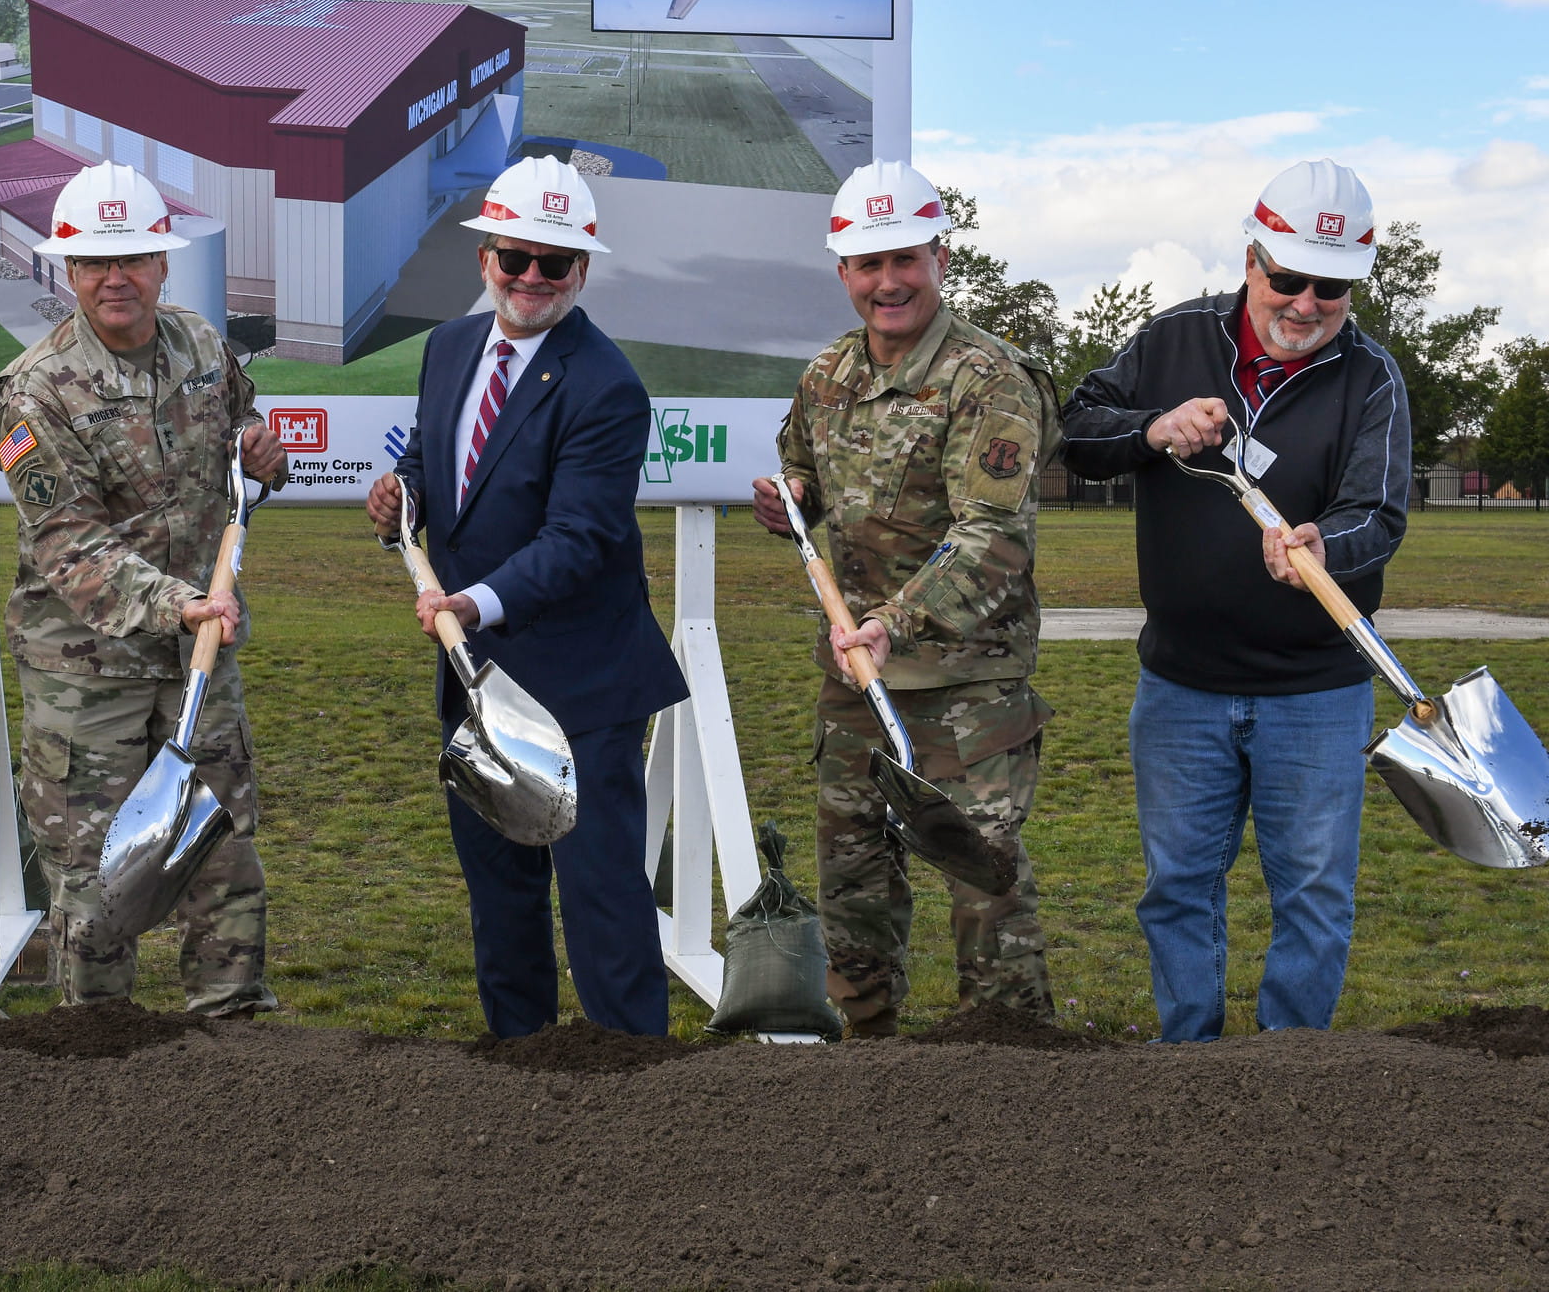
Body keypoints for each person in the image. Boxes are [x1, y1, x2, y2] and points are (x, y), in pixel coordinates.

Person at [1060, 158, 1411, 1042]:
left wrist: (1327, 545)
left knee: (1315, 897)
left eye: (1329, 288)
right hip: (1181, 685)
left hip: (1320, 691)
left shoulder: (1373, 378)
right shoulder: (1172, 339)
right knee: (1177, 887)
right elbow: (1076, 430)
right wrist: (1151, 429)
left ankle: (1289, 1075)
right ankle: (1192, 1064)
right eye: (1287, 278)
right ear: (1252, 260)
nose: (1304, 303)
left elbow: (1380, 510)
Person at [365, 156, 687, 1039]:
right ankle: (518, 1078)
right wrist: (406, 499)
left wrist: (472, 603)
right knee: (501, 902)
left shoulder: (607, 384)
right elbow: (435, 470)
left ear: (583, 270)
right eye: (516, 258)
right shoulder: (447, 349)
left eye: (555, 263)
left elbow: (581, 539)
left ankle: (633, 1082)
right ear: (486, 260)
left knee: (602, 902)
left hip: (581, 687)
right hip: (478, 685)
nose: (532, 278)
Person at [750, 159, 1060, 1037]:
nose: (888, 281)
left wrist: (893, 622)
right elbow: (803, 477)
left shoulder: (989, 379)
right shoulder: (825, 378)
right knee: (853, 887)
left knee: (985, 888)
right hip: (854, 681)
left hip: (968, 687)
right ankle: (870, 1066)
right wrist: (789, 503)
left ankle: (1016, 1067)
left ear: (941, 257)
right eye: (867, 263)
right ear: (842, 271)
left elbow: (992, 536)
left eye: (906, 259)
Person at [0, 161, 286, 1015]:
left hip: (197, 659)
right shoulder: (32, 392)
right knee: (94, 888)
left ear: (162, 262)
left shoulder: (199, 344)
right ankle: (97, 1060)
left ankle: (233, 1049)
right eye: (94, 262)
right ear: (66, 270)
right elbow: (69, 543)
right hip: (88, 677)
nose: (115, 277)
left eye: (134, 258)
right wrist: (179, 604)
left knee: (225, 863)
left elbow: (245, 436)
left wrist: (265, 451)